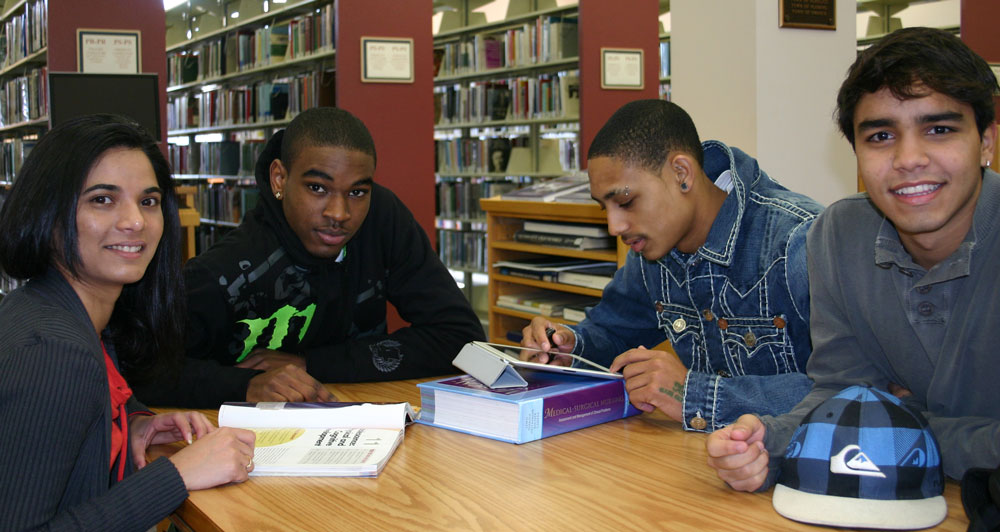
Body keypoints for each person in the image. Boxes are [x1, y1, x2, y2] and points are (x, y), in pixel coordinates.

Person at [706, 27, 1000, 491]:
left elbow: (863, 418)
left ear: (986, 141)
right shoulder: (838, 236)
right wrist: (769, 440)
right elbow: (843, 395)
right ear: (857, 155)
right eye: (881, 136)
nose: (908, 158)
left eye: (939, 129)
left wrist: (903, 422)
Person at [0, 115, 256, 531]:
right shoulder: (54, 352)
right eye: (103, 199)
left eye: (148, 201)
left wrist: (132, 421)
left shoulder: (51, 310)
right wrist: (175, 476)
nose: (135, 221)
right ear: (47, 214)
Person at [134, 107, 484, 408]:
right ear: (279, 178)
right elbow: (139, 370)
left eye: (357, 192)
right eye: (317, 188)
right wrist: (245, 385)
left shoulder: (381, 217)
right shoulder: (225, 272)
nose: (339, 212)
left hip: (358, 427)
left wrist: (310, 363)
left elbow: (460, 337)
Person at [522, 100, 823, 431]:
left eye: (625, 202)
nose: (614, 227)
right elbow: (612, 331)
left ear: (682, 174)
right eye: (603, 208)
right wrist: (567, 346)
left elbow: (853, 391)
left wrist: (692, 393)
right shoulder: (654, 251)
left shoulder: (802, 243)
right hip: (708, 463)